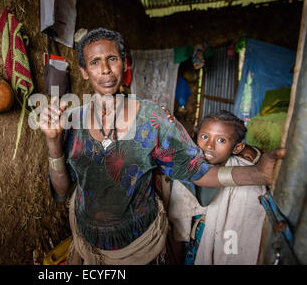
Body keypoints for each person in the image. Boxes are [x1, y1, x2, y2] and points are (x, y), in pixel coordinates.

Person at [38, 28, 286, 265]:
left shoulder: (152, 118)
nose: (105, 70)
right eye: (94, 62)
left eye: (112, 58)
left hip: (140, 247)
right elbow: (62, 190)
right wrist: (53, 142)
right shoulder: (72, 120)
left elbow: (197, 172)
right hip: (87, 243)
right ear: (83, 71)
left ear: (124, 63)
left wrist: (257, 173)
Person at [169, 110, 268, 265]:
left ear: (237, 148)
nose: (209, 144)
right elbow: (178, 226)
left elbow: (245, 231)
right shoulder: (188, 169)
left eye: (221, 140)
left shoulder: (248, 175)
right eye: (204, 136)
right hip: (191, 249)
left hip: (223, 249)